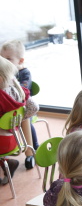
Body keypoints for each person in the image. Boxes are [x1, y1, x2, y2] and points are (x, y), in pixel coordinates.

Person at [0, 56, 39, 184]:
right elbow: (34, 107)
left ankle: (6, 162)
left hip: (4, 144)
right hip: (16, 139)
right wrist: (22, 118)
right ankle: (7, 163)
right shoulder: (18, 90)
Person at [0, 39, 39, 150]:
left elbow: (23, 89)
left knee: (27, 124)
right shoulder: (2, 72)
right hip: (7, 112)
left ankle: (34, 145)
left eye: (8, 59)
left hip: (24, 110)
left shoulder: (24, 73)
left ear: (20, 61)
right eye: (2, 58)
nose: (5, 62)